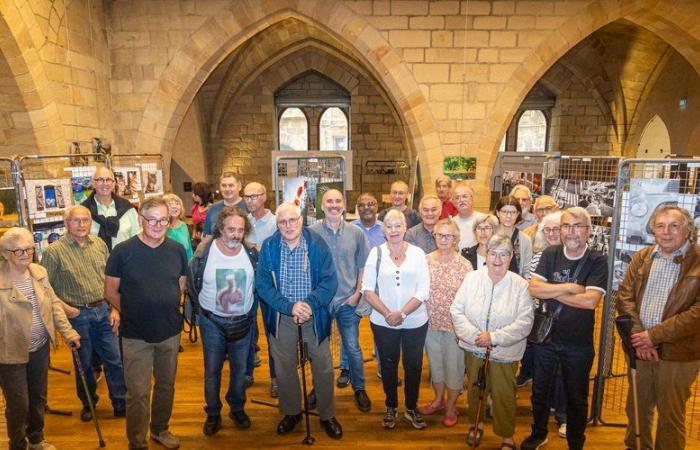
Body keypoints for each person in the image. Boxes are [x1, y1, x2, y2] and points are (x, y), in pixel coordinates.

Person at [104, 197, 188, 450]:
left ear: (170, 221)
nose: (157, 224)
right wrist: (133, 311)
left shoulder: (177, 250)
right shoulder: (123, 251)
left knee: (166, 385)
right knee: (138, 393)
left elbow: (180, 285)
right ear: (141, 220)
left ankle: (160, 429)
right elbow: (110, 291)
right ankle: (137, 441)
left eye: (163, 219)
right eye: (151, 219)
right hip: (135, 335)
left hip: (169, 332)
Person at [255, 203, 343, 440]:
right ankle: (291, 411)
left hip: (314, 317)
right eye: (283, 222)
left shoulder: (317, 244)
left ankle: (327, 414)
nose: (288, 226)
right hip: (281, 317)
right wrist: (289, 306)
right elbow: (263, 284)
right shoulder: (270, 247)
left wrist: (309, 305)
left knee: (323, 367)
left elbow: (329, 282)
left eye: (293, 220)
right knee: (284, 368)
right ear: (278, 225)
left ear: (301, 220)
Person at [522, 207, 608, 450]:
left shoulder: (597, 260)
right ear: (560, 230)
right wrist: (570, 286)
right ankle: (538, 435)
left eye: (577, 226)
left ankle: (576, 442)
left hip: (578, 344)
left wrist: (551, 291)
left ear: (588, 231)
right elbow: (534, 289)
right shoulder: (550, 253)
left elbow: (589, 301)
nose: (571, 232)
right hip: (545, 339)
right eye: (566, 226)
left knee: (576, 397)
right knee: (539, 392)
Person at [616, 205, 700, 450]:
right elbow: (625, 298)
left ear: (688, 230)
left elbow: (697, 313)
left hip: (679, 353)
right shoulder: (642, 257)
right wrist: (639, 338)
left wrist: (654, 336)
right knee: (637, 410)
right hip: (639, 349)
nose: (666, 231)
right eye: (660, 226)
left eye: (674, 225)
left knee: (671, 415)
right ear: (652, 229)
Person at [42, 206, 126, 423]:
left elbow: (111, 280)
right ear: (66, 224)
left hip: (104, 310)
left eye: (85, 220)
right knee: (85, 363)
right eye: (76, 221)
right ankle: (88, 403)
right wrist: (64, 307)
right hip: (77, 315)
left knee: (115, 359)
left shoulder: (99, 245)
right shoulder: (54, 252)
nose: (81, 225)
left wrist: (115, 307)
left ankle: (120, 401)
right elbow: (45, 287)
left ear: (91, 223)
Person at [0, 227, 81, 450]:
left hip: (39, 348)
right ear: (5, 253)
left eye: (29, 249)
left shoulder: (39, 272)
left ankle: (36, 438)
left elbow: (54, 305)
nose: (26, 254)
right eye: (18, 251)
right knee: (19, 404)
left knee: (38, 398)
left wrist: (69, 332)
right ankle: (17, 444)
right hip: (10, 352)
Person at [452, 233, 534, 450]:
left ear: (511, 257)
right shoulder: (472, 278)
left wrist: (494, 338)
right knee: (474, 388)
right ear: (486, 255)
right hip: (474, 346)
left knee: (503, 394)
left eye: (504, 255)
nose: (497, 260)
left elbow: (525, 322)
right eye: (493, 254)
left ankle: (507, 437)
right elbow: (457, 310)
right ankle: (475, 424)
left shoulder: (520, 285)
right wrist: (474, 336)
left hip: (505, 351)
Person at [187, 207, 259, 436]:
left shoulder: (251, 253)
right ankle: (213, 412)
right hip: (212, 323)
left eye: (240, 230)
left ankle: (237, 408)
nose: (235, 234)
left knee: (240, 370)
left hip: (243, 322)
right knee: (212, 370)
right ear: (220, 228)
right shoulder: (203, 252)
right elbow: (192, 284)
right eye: (230, 229)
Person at [361, 209, 430, 430]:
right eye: (389, 226)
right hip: (383, 322)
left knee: (413, 365)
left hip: (415, 321)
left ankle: (411, 407)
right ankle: (391, 406)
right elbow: (367, 289)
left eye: (397, 225)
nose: (393, 230)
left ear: (405, 228)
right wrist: (388, 314)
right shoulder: (376, 253)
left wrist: (402, 314)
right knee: (389, 365)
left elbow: (423, 290)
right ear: (384, 230)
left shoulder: (418, 254)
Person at [310, 189, 371, 412]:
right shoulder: (312, 232)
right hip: (321, 303)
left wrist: (357, 294)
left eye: (338, 201)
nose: (333, 205)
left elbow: (363, 266)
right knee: (320, 349)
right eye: (329, 201)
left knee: (353, 347)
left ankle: (360, 387)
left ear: (344, 205)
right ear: (322, 205)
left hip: (348, 300)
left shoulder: (356, 234)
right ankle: (318, 388)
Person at [518, 211, 567, 438]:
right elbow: (533, 288)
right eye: (546, 230)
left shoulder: (575, 256)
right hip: (542, 321)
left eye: (555, 229)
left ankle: (563, 415)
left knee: (563, 372)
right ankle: (542, 419)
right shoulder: (538, 256)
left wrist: (549, 291)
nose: (551, 234)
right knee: (543, 370)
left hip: (569, 324)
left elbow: (584, 293)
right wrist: (566, 289)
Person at [420, 219, 472, 427]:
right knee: (436, 366)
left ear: (456, 238)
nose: (443, 239)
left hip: (454, 327)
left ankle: (451, 405)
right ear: (434, 237)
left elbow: (469, 298)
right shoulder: (425, 260)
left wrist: (464, 328)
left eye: (448, 235)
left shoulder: (464, 265)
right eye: (440, 235)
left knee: (454, 367)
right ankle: (438, 399)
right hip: (430, 323)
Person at [242, 181, 278, 395]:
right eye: (247, 196)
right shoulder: (242, 222)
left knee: (272, 331)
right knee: (246, 330)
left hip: (269, 284)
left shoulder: (275, 222)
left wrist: (255, 247)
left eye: (254, 196)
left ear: (264, 196)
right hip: (245, 283)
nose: (250, 200)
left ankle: (275, 377)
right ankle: (247, 373)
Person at [82, 165, 140, 252]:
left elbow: (137, 238)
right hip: (94, 264)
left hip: (123, 262)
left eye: (108, 180)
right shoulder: (83, 211)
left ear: (113, 184)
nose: (105, 183)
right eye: (100, 179)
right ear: (93, 183)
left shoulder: (127, 208)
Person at [202, 172, 249, 242]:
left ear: (239, 186)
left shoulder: (248, 207)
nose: (227, 189)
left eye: (231, 185)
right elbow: (207, 236)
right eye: (224, 185)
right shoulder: (213, 208)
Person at [495, 195, 533, 279]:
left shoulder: (525, 240)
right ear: (498, 213)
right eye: (504, 212)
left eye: (513, 212)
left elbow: (526, 271)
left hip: (515, 286)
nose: (508, 216)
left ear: (518, 214)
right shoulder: (490, 235)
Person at [451, 182, 485, 251]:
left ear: (472, 199)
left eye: (464, 196)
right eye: (457, 198)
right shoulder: (451, 223)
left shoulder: (484, 219)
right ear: (454, 203)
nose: (461, 200)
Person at [163, 193, 193, 260]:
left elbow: (189, 250)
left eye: (177, 203)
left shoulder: (184, 226)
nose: (174, 206)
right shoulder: (161, 227)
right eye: (170, 204)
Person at [191, 182, 213, 246]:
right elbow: (194, 224)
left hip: (209, 241)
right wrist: (193, 237)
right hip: (197, 240)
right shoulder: (194, 207)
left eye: (194, 194)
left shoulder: (212, 208)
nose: (192, 195)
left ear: (200, 194)